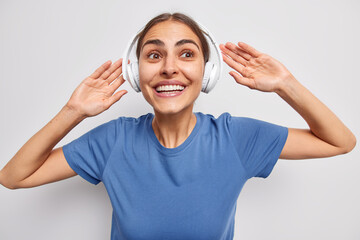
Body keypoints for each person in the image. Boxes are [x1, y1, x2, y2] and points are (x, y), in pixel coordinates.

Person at [0, 12, 356, 240]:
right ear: (135, 72)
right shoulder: (113, 140)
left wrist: (286, 84)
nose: (170, 67)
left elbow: (340, 142)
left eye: (186, 54)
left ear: (207, 71)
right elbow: (13, 177)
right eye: (154, 55)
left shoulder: (235, 138)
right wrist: (72, 111)